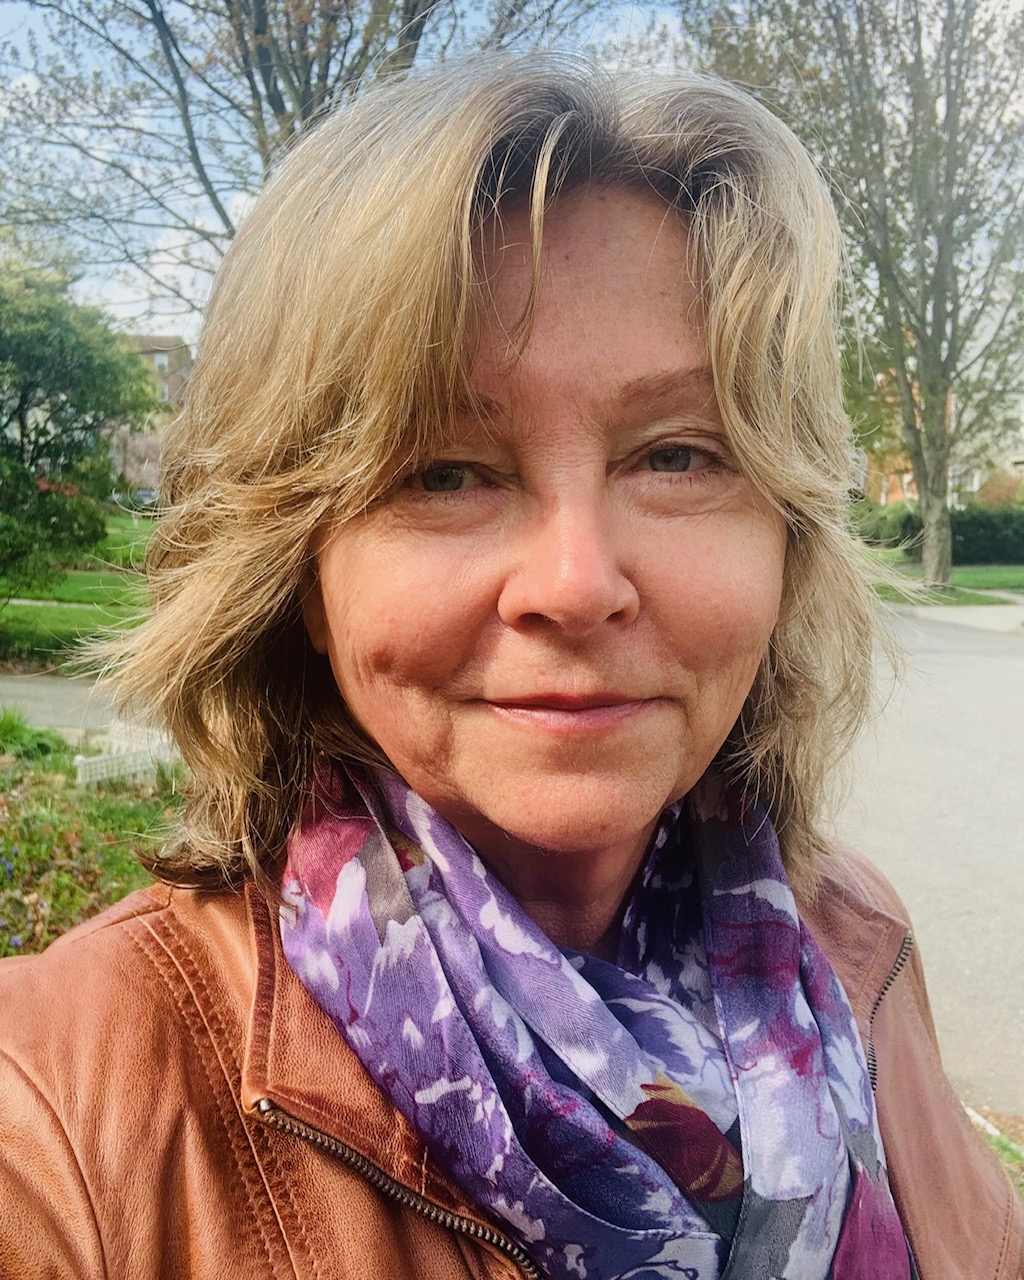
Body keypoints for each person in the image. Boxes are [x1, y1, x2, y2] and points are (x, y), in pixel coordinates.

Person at [0, 55, 1019, 1280]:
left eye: (678, 454)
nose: (577, 581)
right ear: (298, 571)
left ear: (786, 539)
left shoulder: (853, 943)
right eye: (445, 471)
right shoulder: (64, 1100)